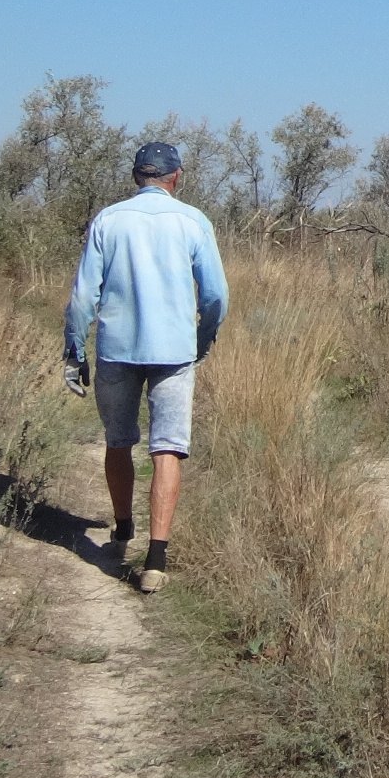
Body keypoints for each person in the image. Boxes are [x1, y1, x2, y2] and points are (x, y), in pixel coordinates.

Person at [63, 140, 229, 593]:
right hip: (174, 352)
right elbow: (215, 296)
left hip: (117, 348)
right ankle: (155, 561)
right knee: (167, 448)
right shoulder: (193, 221)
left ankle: (121, 531)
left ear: (137, 176)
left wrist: (74, 351)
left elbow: (82, 297)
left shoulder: (109, 220)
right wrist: (201, 339)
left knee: (118, 441)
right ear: (176, 177)